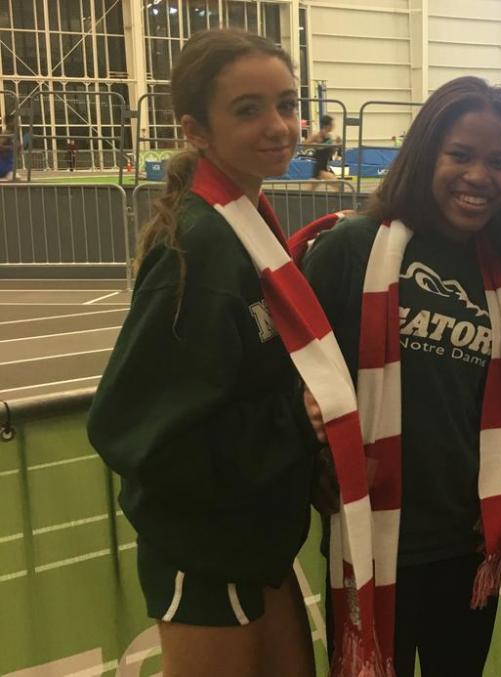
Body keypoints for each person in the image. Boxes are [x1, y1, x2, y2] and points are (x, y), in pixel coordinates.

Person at [87, 29, 318, 677]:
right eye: (248, 110)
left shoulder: (249, 220)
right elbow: (137, 429)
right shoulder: (200, 247)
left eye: (287, 104)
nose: (279, 126)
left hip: (256, 541)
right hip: (208, 551)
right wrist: (299, 418)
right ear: (196, 130)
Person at [301, 76, 501, 677]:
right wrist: (312, 447)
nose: (479, 176)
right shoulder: (353, 248)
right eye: (460, 155)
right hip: (374, 535)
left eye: (500, 163)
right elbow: (292, 375)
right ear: (424, 155)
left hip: (467, 541)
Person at [304, 114, 342, 179]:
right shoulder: (317, 135)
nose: (333, 126)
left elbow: (331, 152)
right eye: (331, 124)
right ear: (326, 125)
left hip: (325, 166)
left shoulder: (329, 137)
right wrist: (316, 145)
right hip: (320, 169)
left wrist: (336, 145)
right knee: (337, 183)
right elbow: (305, 145)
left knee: (312, 185)